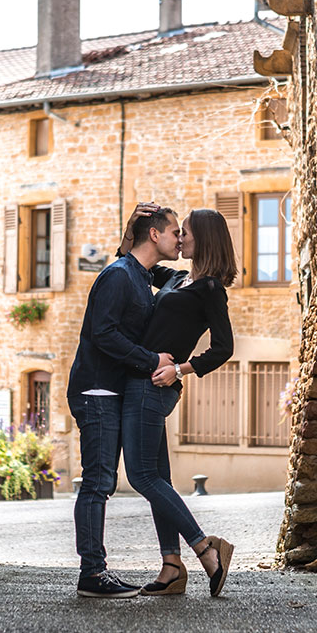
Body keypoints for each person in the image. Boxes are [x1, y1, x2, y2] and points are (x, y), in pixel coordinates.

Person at [116, 208, 237, 597]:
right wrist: (128, 231)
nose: (179, 239)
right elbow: (132, 265)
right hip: (140, 380)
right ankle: (171, 567)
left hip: (155, 385)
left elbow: (223, 348)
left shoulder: (211, 290)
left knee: (141, 476)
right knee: (159, 479)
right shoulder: (179, 278)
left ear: (203, 238)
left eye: (184, 232)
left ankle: (205, 550)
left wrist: (180, 370)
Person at [66, 203, 179, 598]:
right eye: (175, 232)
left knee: (104, 483)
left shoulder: (139, 275)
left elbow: (179, 279)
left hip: (112, 392)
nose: (180, 239)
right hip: (97, 391)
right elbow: (104, 334)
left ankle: (95, 572)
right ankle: (92, 575)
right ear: (154, 234)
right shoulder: (117, 276)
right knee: (98, 483)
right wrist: (152, 360)